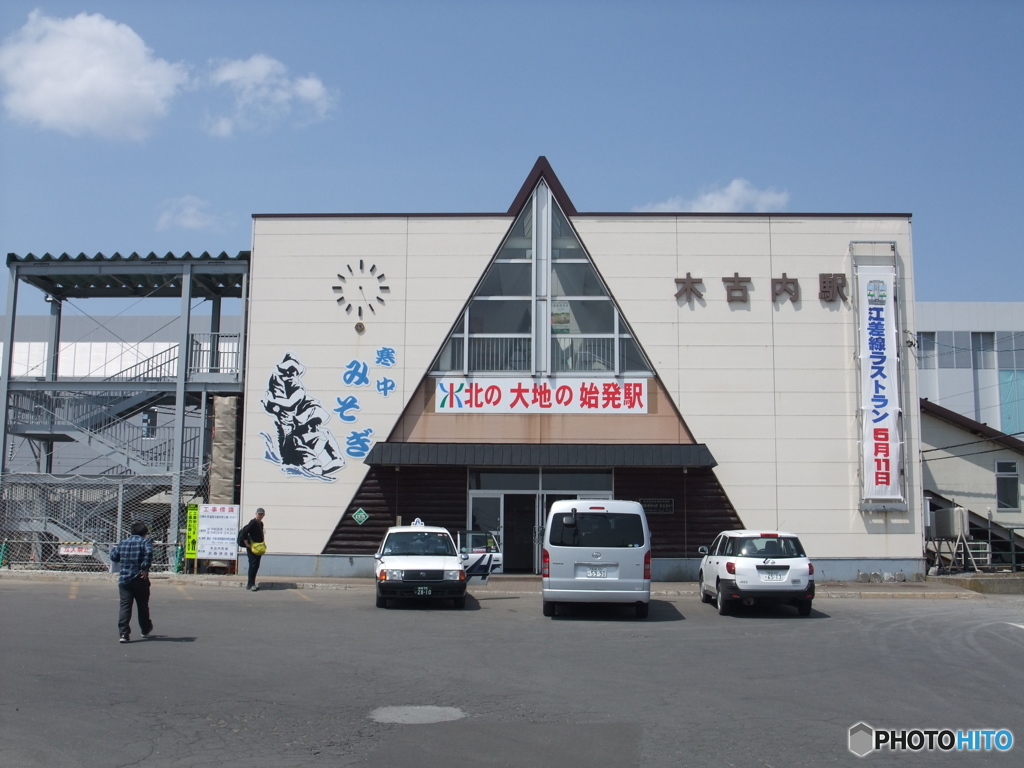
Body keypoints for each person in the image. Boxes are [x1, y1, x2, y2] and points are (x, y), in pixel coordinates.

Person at [110, 521, 154, 643]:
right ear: (144, 533)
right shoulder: (145, 542)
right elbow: (149, 553)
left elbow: (114, 557)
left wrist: (116, 550)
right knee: (143, 606)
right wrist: (145, 568)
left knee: (125, 606)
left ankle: (123, 634)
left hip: (124, 580)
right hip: (140, 578)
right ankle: (145, 629)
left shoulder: (123, 543)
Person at [238, 508, 267, 591]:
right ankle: (251, 584)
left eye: (262, 514)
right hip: (252, 547)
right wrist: (247, 544)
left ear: (264, 515)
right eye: (259, 514)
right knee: (253, 565)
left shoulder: (260, 523)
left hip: (258, 548)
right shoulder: (253, 522)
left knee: (256, 565)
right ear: (256, 514)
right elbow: (244, 532)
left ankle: (251, 583)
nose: (260, 516)